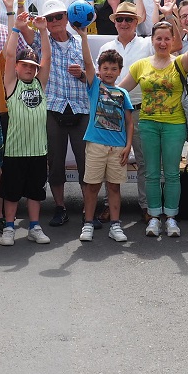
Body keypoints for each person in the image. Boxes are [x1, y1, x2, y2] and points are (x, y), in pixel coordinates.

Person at [118, 17, 188, 238]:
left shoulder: (179, 63)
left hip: (174, 125)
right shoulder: (140, 65)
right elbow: (120, 91)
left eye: (167, 39)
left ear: (172, 40)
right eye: (158, 39)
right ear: (152, 40)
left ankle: (172, 218)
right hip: (147, 124)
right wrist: (98, 85)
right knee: (152, 174)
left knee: (172, 173)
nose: (163, 43)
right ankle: (154, 217)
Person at [0, 14, 53, 246]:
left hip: (37, 150)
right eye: (25, 66)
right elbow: (10, 55)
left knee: (35, 192)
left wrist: (42, 31)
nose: (30, 69)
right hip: (14, 150)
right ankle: (9, 228)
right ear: (18, 67)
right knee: (11, 193)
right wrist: (17, 29)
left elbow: (48, 57)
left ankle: (34, 226)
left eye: (33, 66)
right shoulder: (12, 83)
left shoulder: (40, 84)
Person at [38, 0, 90, 227]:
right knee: (55, 162)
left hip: (80, 107)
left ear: (67, 18)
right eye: (50, 18)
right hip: (53, 108)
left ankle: (89, 210)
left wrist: (81, 74)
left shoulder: (81, 42)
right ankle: (60, 207)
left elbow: (93, 77)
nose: (55, 21)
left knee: (86, 162)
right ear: (45, 23)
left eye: (59, 16)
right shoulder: (40, 44)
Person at [77, 36, 134, 243]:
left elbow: (129, 122)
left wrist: (128, 146)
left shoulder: (122, 93)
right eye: (105, 68)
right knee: (92, 186)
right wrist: (83, 36)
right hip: (96, 145)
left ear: (120, 71)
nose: (109, 72)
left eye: (113, 68)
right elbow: (87, 61)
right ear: (99, 70)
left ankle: (116, 225)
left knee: (114, 187)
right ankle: (88, 223)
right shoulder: (95, 87)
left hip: (117, 148)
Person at [99, 0, 153, 212]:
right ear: (115, 22)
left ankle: (147, 207)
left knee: (144, 161)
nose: (124, 22)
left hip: (139, 110)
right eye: (120, 19)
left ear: (136, 22)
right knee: (108, 160)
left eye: (128, 19)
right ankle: (108, 206)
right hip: (110, 111)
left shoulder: (148, 44)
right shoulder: (106, 47)